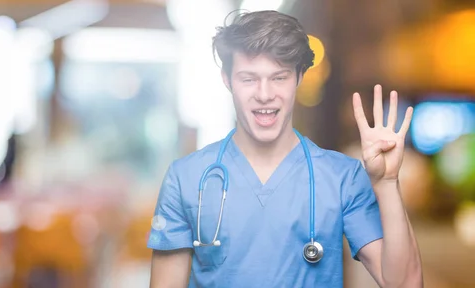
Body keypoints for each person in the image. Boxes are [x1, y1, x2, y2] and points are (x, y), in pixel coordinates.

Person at [147, 10, 423, 288]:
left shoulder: (343, 178)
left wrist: (387, 183)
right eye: (248, 79)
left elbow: (405, 284)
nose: (265, 94)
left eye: (279, 77)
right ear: (227, 80)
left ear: (299, 77)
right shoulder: (185, 178)